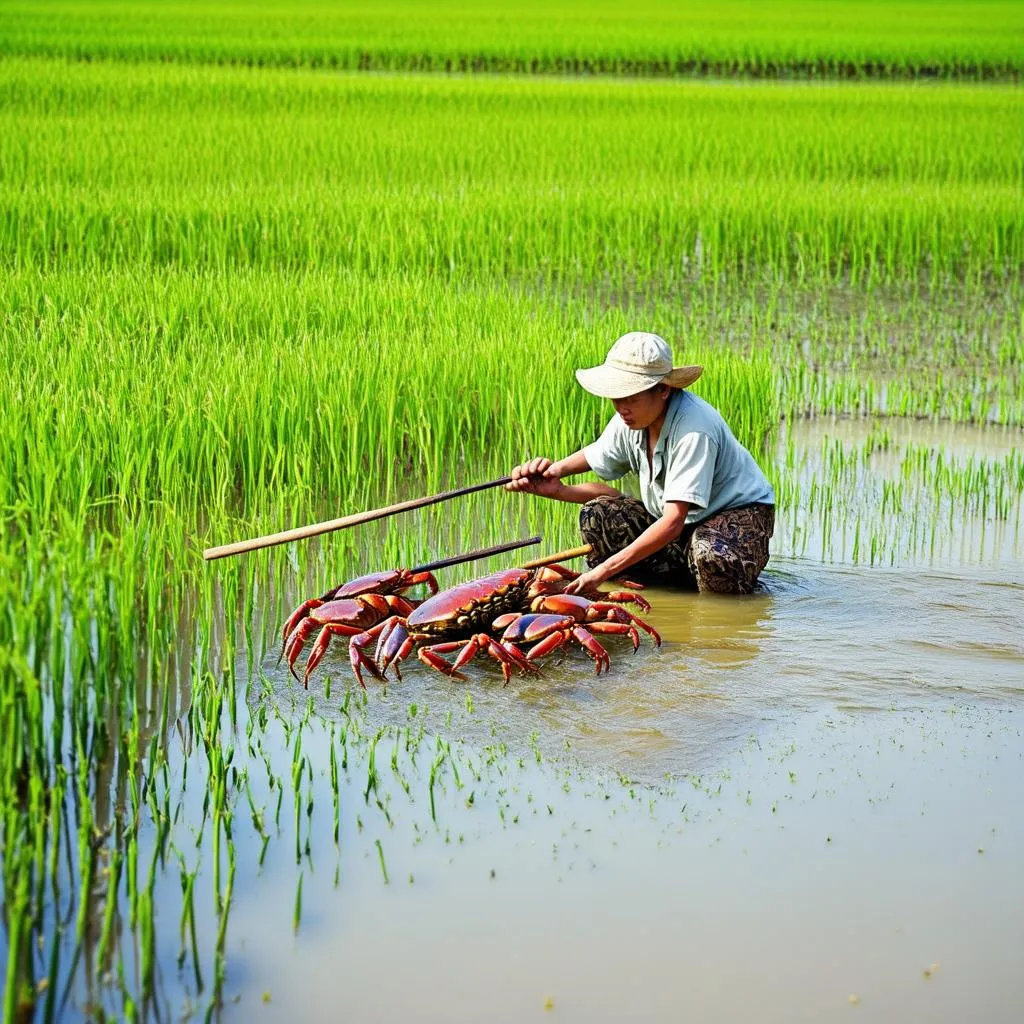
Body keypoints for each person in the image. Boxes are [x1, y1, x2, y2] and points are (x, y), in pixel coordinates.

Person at [506, 332, 775, 596]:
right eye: (616, 395)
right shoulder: (631, 418)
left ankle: (713, 613)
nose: (620, 406)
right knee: (598, 514)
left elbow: (673, 521)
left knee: (710, 555)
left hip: (732, 517)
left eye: (630, 395)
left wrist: (603, 571)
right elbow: (596, 455)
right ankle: (651, 596)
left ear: (663, 390)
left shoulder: (695, 430)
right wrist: (554, 478)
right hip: (678, 526)